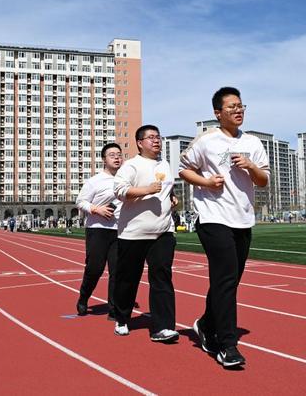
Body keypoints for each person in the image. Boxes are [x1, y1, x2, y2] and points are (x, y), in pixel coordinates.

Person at [179, 86, 270, 368]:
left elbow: (264, 180)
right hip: (212, 217)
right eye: (231, 107)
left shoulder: (253, 142)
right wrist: (206, 183)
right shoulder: (206, 141)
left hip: (242, 219)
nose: (238, 110)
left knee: (227, 280)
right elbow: (183, 169)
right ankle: (227, 345)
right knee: (227, 279)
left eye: (241, 106)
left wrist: (251, 167)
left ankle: (206, 324)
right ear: (218, 113)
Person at [113, 125, 179, 342]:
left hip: (163, 231)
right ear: (140, 143)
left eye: (158, 137)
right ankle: (122, 318)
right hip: (134, 232)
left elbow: (167, 188)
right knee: (128, 279)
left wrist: (172, 199)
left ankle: (163, 327)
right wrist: (146, 191)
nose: (156, 141)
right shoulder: (131, 166)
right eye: (151, 138)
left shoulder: (165, 164)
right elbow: (120, 191)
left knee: (162, 277)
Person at [75, 143, 123, 320]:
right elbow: (80, 202)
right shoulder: (95, 181)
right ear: (104, 160)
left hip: (119, 230)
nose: (117, 157)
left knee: (117, 271)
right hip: (97, 230)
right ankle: (84, 297)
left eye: (119, 154)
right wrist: (96, 209)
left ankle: (113, 308)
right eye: (112, 155)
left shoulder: (126, 180)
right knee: (94, 269)